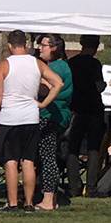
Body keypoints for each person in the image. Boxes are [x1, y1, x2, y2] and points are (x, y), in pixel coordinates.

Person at [0, 30, 64, 212]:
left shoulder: (5, 64)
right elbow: (58, 83)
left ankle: (14, 202)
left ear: (9, 45)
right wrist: (43, 103)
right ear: (26, 44)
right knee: (28, 161)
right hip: (31, 116)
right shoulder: (36, 63)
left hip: (10, 117)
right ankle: (30, 203)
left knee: (11, 161)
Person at [34, 34, 74, 210]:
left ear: (54, 48)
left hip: (52, 117)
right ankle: (49, 195)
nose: (40, 48)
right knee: (47, 155)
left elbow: (48, 88)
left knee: (47, 155)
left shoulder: (58, 67)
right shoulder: (56, 66)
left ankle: (49, 198)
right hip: (51, 115)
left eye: (43, 45)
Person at [66, 35, 107, 197]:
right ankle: (91, 187)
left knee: (72, 148)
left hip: (75, 108)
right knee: (93, 148)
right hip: (94, 109)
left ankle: (73, 185)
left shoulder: (72, 63)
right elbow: (99, 86)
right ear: (96, 46)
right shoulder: (95, 64)